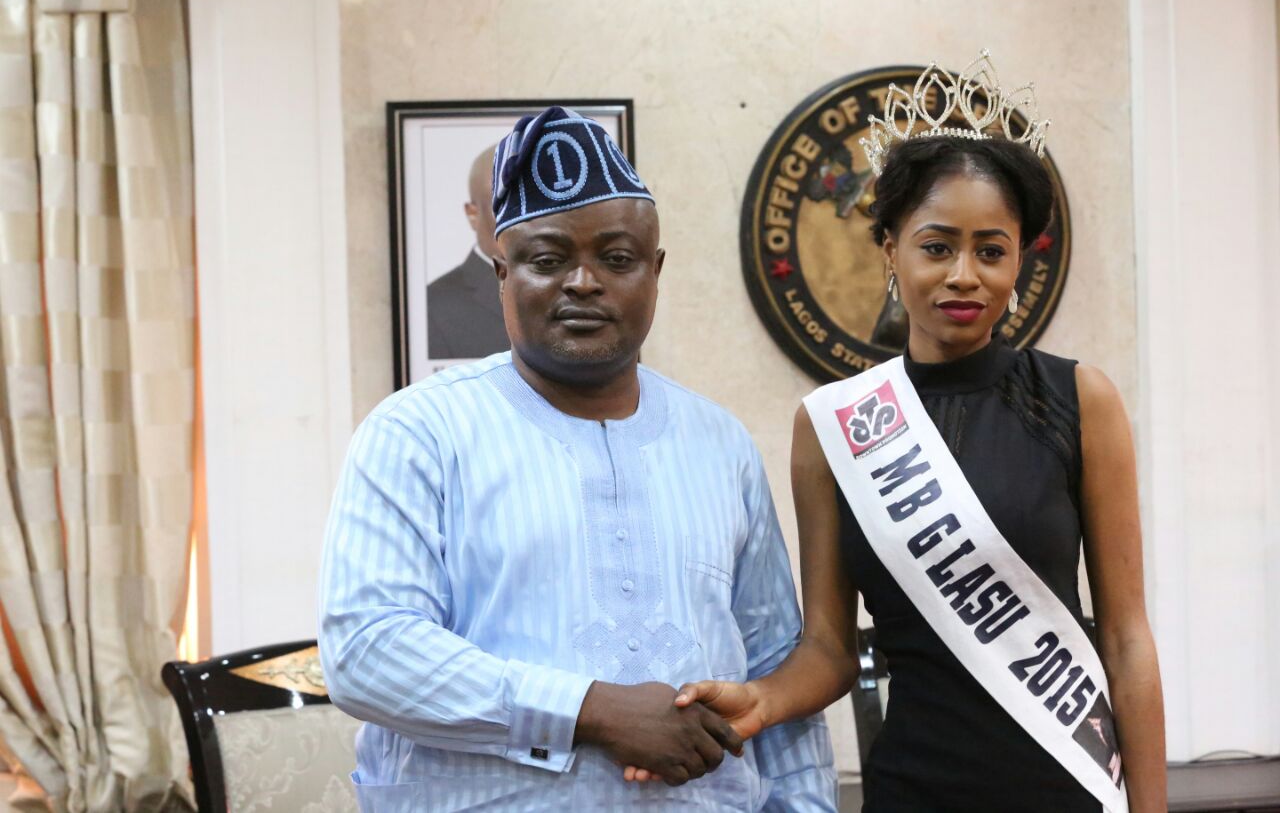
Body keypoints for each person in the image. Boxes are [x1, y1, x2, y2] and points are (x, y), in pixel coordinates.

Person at [634, 55, 1166, 811]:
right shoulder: (832, 426)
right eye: (936, 245)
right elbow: (828, 646)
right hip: (914, 788)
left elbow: (1126, 638)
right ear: (890, 250)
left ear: (1019, 260)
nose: (963, 274)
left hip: (1067, 786)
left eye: (992, 250)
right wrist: (760, 699)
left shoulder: (1081, 398)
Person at [318, 106, 836, 811]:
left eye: (616, 259)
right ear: (502, 271)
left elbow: (773, 670)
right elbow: (367, 654)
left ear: (655, 271)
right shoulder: (418, 433)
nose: (583, 282)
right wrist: (588, 709)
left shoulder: (721, 444)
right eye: (548, 258)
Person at [425, 144, 510, 359]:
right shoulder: (434, 304)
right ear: (473, 214)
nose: (523, 218)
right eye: (505, 204)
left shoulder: (572, 286)